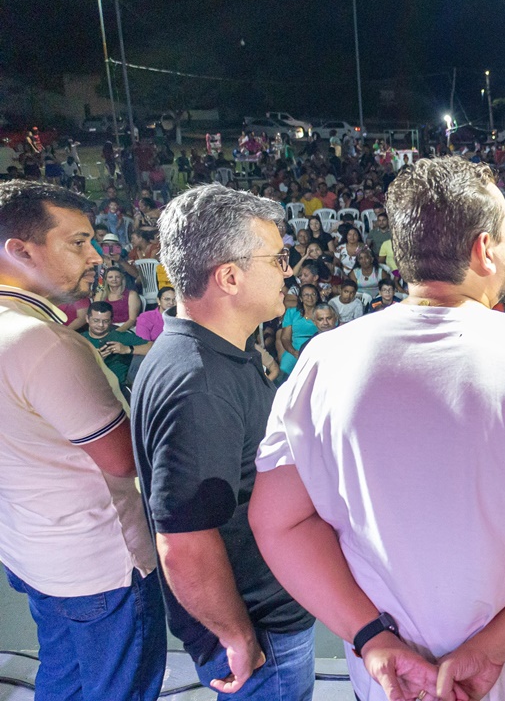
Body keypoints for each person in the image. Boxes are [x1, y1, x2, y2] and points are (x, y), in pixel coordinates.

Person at [247, 156, 505, 701]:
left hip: (392, 686)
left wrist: (371, 639)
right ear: (483, 250)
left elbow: (279, 524)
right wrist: (490, 651)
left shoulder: (324, 362)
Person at [132, 184, 316, 698]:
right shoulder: (199, 382)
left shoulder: (201, 355)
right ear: (229, 276)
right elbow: (185, 540)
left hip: (259, 616)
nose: (289, 271)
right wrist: (235, 633)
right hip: (259, 628)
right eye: (278, 258)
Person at [0, 181, 166, 701]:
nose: (95, 256)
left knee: (63, 679)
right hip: (99, 564)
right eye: (77, 243)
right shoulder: (42, 343)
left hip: (31, 550)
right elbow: (122, 460)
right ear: (20, 251)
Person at [81, 300, 152, 388]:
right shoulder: (79, 340)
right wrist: (97, 360)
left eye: (105, 321)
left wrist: (127, 349)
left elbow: (154, 348)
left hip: (120, 387)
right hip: (91, 386)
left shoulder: (121, 337)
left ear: (111, 320)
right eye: (96, 320)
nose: (100, 325)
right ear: (87, 319)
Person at [280, 284, 321, 376]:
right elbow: (285, 338)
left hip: (316, 348)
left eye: (313, 294)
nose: (309, 297)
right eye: (306, 295)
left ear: (317, 297)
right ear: (301, 298)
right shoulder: (292, 312)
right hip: (295, 349)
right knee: (284, 368)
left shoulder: (323, 313)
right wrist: (294, 352)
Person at [93, 265, 142, 332]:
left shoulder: (132, 295)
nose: (114, 279)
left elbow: (132, 320)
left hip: (127, 328)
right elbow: (95, 315)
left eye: (117, 277)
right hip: (105, 327)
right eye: (110, 277)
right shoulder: (100, 295)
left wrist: (117, 331)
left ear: (122, 279)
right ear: (106, 280)